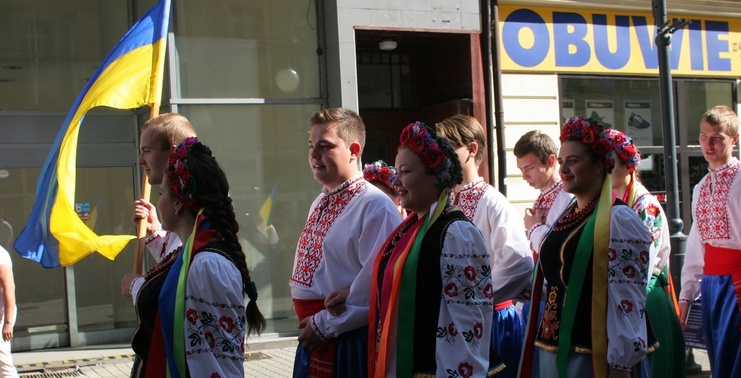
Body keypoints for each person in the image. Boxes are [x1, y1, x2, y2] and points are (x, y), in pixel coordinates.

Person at [519, 116, 652, 378]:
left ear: (598, 166)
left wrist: (621, 364)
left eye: (573, 161)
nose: (564, 170)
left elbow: (628, 297)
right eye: (561, 162)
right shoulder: (568, 215)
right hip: (552, 346)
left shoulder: (618, 219)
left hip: (592, 352)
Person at [128, 137, 265, 377]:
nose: (158, 203)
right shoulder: (194, 253)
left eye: (161, 194)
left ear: (178, 204)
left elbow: (212, 359)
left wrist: (136, 287)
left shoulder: (207, 265)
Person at [368, 121, 492, 377]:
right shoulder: (413, 227)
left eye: (405, 171)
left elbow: (468, 322)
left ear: (435, 175)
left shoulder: (456, 233)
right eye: (397, 172)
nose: (396, 181)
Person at [290, 108, 402, 377]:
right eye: (311, 146)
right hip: (319, 334)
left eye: (325, 146)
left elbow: (381, 284)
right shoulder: (320, 200)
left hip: (346, 338)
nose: (314, 155)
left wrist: (325, 325)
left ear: (353, 150)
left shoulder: (374, 206)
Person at [435, 114, 533, 377]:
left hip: (491, 319)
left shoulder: (492, 201)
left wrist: (478, 298)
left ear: (472, 149)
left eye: (447, 148)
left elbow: (520, 261)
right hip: (453, 320)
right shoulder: (444, 200)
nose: (440, 156)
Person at [679, 105, 741, 377]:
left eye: (717, 137)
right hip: (711, 286)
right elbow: (698, 245)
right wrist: (687, 294)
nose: (708, 144)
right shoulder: (700, 187)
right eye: (703, 136)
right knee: (719, 360)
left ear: (734, 139)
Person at [609, 129, 685, 377]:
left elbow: (645, 260)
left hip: (646, 298)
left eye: (611, 164)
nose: (605, 170)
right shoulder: (609, 202)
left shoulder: (645, 204)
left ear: (628, 167)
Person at [120, 113, 196, 301]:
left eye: (147, 150)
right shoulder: (189, 199)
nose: (140, 160)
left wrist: (138, 287)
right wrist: (155, 231)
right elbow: (175, 257)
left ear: (172, 152)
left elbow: (181, 289)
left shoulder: (196, 202)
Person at [513, 130, 574, 259]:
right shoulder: (542, 197)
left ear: (550, 161)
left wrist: (534, 228)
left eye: (529, 168)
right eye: (521, 169)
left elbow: (562, 249)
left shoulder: (568, 197)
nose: (524, 176)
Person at [0, 246, 17, 378]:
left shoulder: (1, 256)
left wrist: (8, 323)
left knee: (4, 363)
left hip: (2, 315)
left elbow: (9, 288)